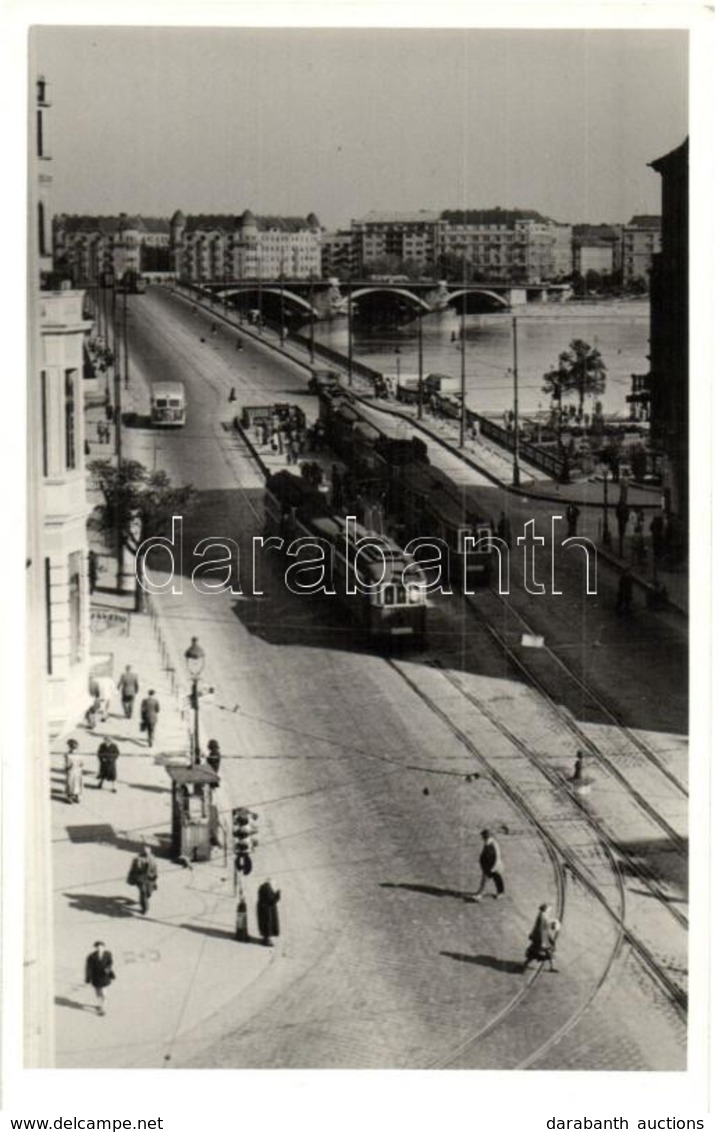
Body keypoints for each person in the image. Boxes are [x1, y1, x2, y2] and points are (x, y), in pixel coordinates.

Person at [523, 904, 560, 972]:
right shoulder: (542, 916)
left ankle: (525, 964)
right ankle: (525, 964)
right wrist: (553, 924)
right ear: (545, 909)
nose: (550, 910)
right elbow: (544, 927)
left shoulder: (542, 915)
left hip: (541, 937)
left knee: (536, 951)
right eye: (549, 909)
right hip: (542, 937)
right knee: (546, 951)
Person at [471, 829, 505, 901]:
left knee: (489, 879)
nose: (482, 838)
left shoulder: (491, 844)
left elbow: (495, 856)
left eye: (483, 836)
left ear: (486, 836)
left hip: (492, 865)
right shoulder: (489, 842)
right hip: (490, 865)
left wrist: (492, 867)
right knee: (495, 878)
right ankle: (500, 892)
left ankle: (480, 894)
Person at [85, 941, 115, 1015]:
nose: (99, 949)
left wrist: (108, 968)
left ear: (104, 947)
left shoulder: (108, 954)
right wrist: (88, 977)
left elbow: (110, 962)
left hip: (105, 976)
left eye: (101, 947)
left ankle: (102, 1008)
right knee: (98, 993)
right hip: (95, 977)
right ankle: (99, 1005)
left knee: (104, 993)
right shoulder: (91, 956)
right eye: (98, 947)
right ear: (95, 948)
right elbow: (88, 968)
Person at [127, 845, 158, 914]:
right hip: (140, 879)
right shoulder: (137, 859)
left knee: (148, 893)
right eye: (145, 852)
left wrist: (154, 878)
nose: (146, 854)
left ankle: (145, 899)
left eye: (148, 852)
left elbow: (155, 869)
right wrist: (131, 878)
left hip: (149, 879)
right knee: (143, 893)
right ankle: (145, 908)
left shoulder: (152, 858)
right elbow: (133, 869)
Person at [256, 879, 281, 946]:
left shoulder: (263, 887)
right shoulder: (268, 889)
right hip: (267, 911)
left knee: (265, 924)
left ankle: (265, 938)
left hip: (264, 909)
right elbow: (272, 900)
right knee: (268, 924)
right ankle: (267, 940)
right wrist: (278, 895)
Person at [65, 739, 84, 803]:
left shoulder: (68, 754)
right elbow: (82, 763)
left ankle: (71, 797)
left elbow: (67, 764)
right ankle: (76, 797)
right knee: (76, 783)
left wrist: (67, 768)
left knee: (71, 783)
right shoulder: (79, 754)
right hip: (77, 770)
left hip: (73, 770)